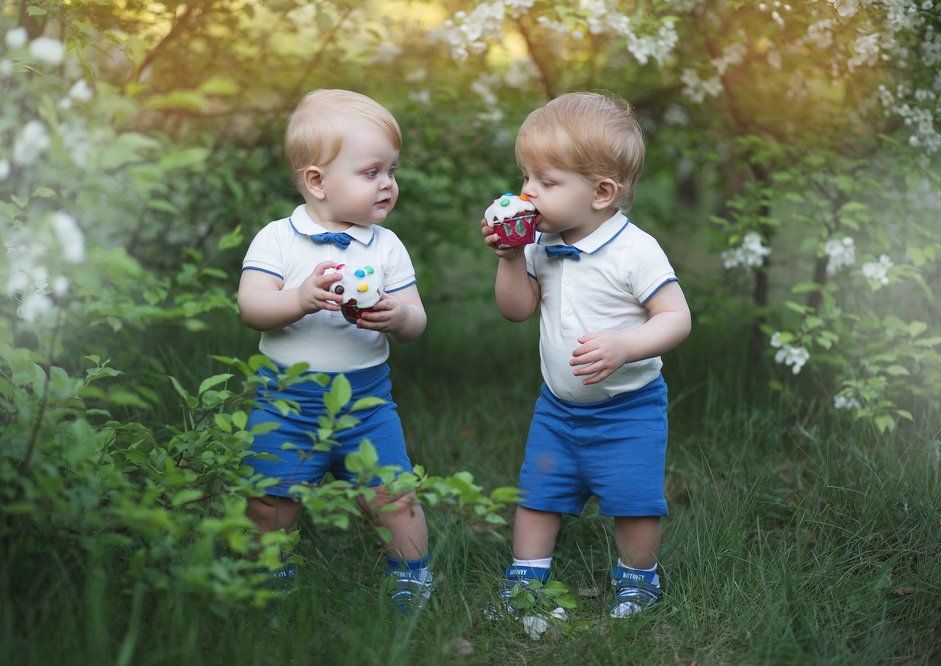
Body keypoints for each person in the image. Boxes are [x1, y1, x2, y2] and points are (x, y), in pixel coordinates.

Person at [481, 92, 691, 619]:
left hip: (628, 408)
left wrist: (625, 345)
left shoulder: (634, 251)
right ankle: (527, 578)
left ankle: (638, 579)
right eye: (526, 176)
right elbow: (516, 310)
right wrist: (510, 259)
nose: (528, 192)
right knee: (538, 493)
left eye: (547, 183)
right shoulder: (538, 243)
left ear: (602, 192)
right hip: (558, 406)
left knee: (634, 501)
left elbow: (676, 317)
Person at [238, 89, 431, 610]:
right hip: (286, 401)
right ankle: (267, 582)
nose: (388, 184)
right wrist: (299, 298)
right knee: (270, 498)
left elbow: (417, 321)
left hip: (366, 403)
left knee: (393, 493)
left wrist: (400, 316)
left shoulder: (385, 246)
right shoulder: (278, 239)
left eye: (392, 171)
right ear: (317, 181)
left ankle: (411, 579)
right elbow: (252, 307)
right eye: (372, 172)